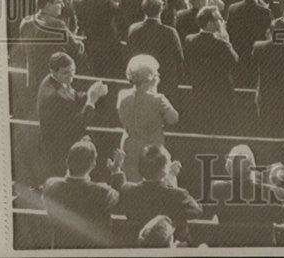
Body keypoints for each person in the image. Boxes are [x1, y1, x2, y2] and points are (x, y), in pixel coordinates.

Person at [36, 52, 108, 181]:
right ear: (53, 71)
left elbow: (72, 97)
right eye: (66, 73)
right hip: (59, 150)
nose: (71, 77)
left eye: (73, 71)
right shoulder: (53, 97)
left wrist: (92, 93)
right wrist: (91, 100)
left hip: (63, 139)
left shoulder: (55, 80)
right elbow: (77, 126)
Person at [41, 138, 122, 248]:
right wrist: (116, 170)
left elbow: (67, 181)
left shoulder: (51, 186)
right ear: (93, 165)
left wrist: (79, 150)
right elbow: (118, 197)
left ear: (67, 161)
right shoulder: (103, 192)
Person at [115, 144, 203, 243]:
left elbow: (119, 189)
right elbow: (197, 211)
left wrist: (117, 168)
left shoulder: (128, 191)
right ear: (165, 170)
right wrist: (172, 184)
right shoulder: (178, 195)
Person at [205, 145, 284, 246]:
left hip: (230, 248)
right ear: (252, 169)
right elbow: (281, 218)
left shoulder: (218, 188)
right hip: (261, 250)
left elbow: (207, 214)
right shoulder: (268, 191)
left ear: (229, 168)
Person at [117, 55, 179, 182]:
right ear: (150, 78)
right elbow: (174, 119)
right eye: (156, 74)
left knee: (132, 186)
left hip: (129, 148)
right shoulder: (158, 100)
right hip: (152, 153)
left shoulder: (122, 95)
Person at [183, 6, 239, 131]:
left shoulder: (189, 40)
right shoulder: (221, 43)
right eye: (219, 19)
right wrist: (227, 41)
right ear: (209, 23)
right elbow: (235, 61)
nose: (222, 21)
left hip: (199, 88)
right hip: (221, 92)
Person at [248, 17, 284, 132]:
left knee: (266, 129)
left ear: (270, 31)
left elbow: (253, 65)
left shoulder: (259, 47)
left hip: (266, 94)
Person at [125, 0, 185, 98]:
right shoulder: (169, 32)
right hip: (164, 82)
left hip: (140, 80)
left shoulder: (133, 29)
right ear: (161, 9)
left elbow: (129, 53)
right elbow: (179, 57)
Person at [73, 0, 122, 79]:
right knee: (106, 72)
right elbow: (119, 8)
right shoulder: (106, 3)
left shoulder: (77, 0)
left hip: (87, 40)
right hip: (105, 44)